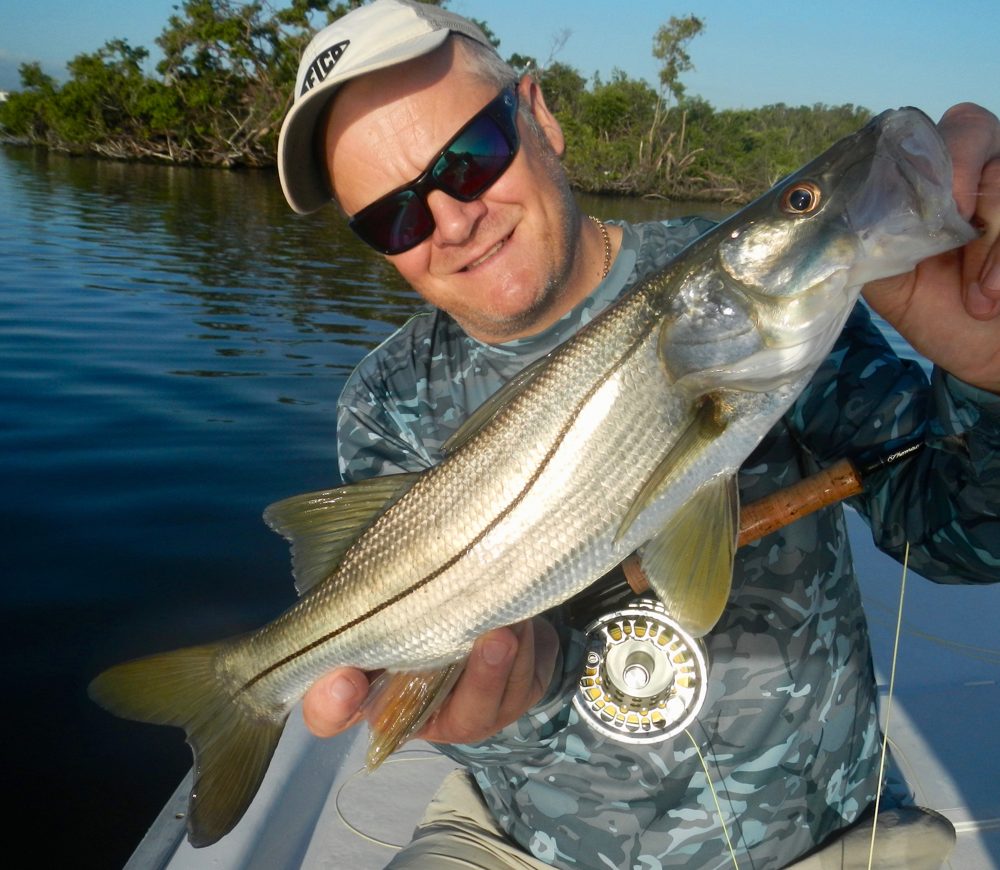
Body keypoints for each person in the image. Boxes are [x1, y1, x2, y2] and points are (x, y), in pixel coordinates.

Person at [276, 1, 1000, 866]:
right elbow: (459, 689)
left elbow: (958, 539)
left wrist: (991, 383)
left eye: (471, 157)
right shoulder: (384, 400)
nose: (453, 220)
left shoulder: (768, 297)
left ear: (539, 116)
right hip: (530, 846)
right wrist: (523, 691)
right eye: (394, 217)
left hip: (825, 832)